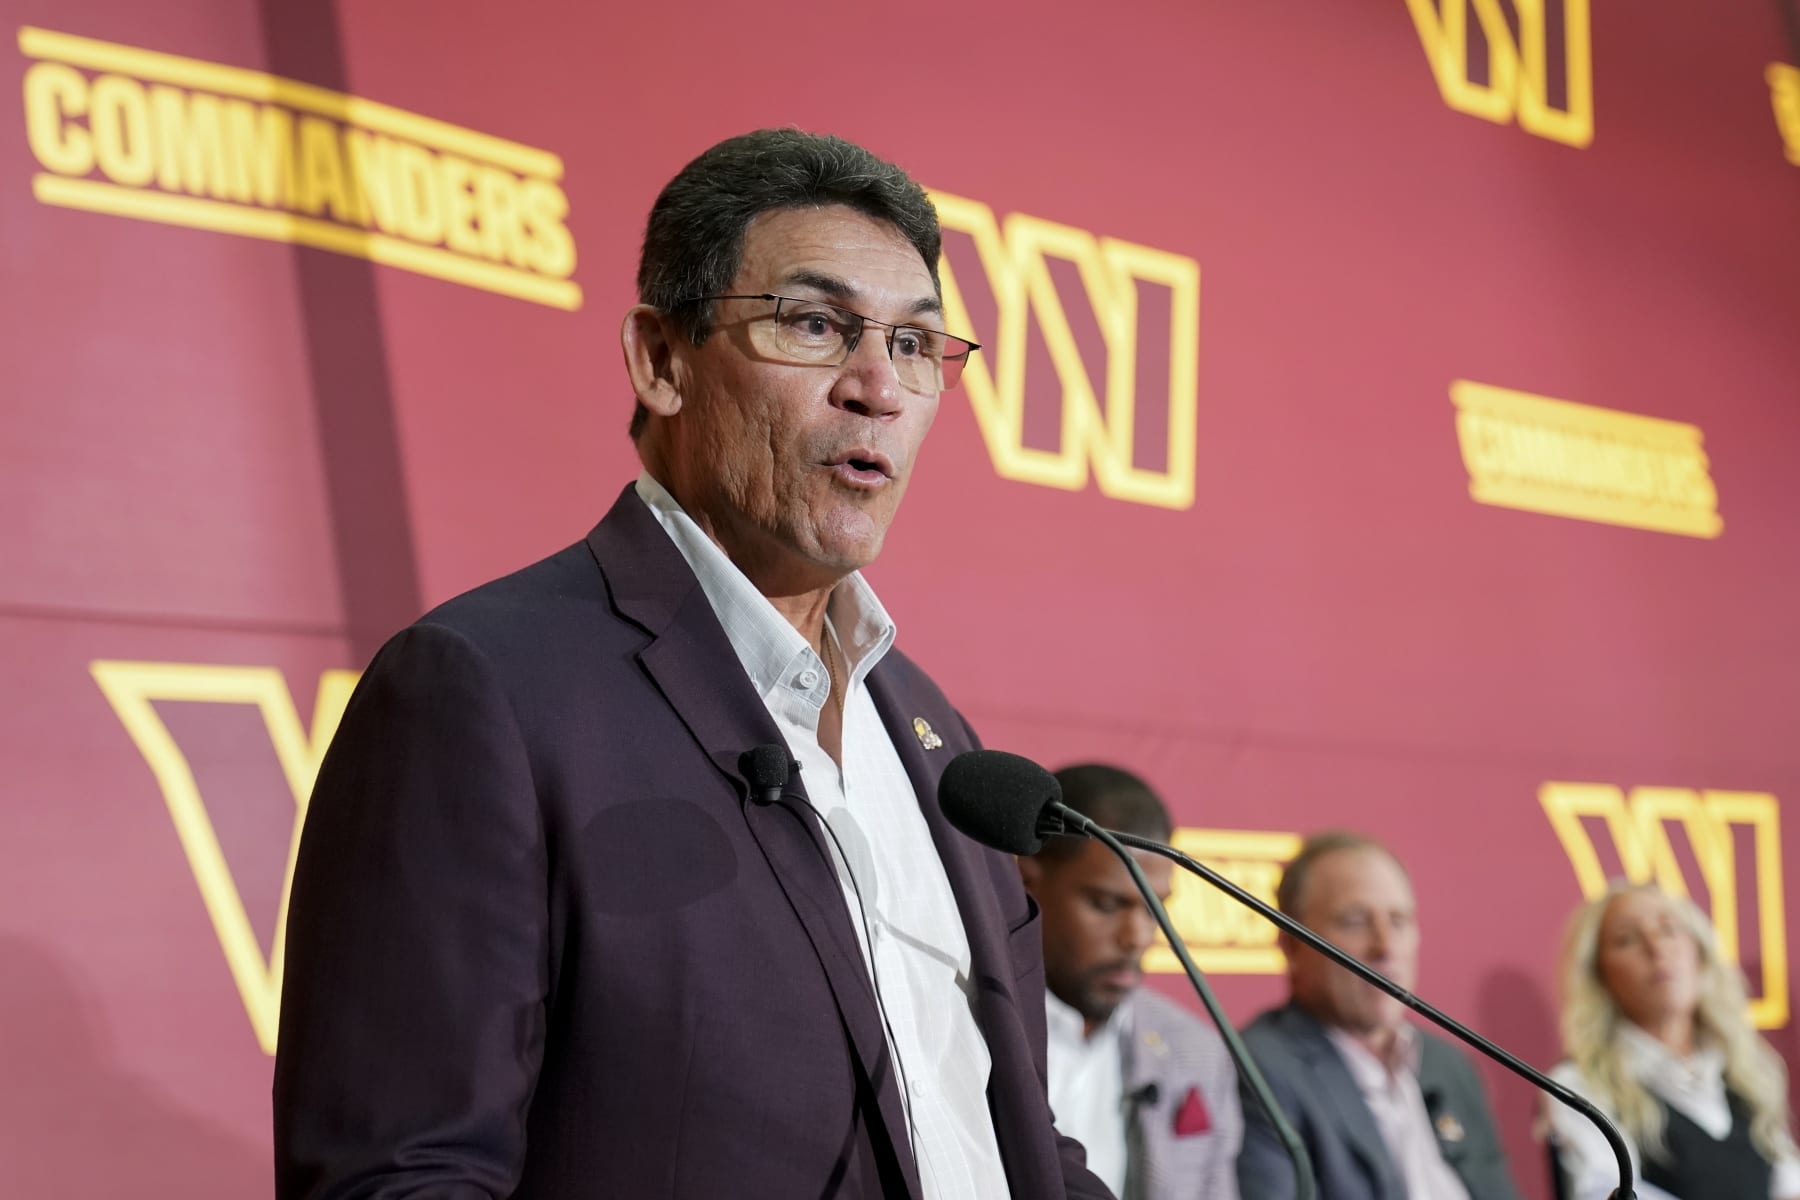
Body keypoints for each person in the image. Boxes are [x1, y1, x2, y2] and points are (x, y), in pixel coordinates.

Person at [272, 129, 1112, 1200]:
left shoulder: (935, 738)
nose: (878, 389)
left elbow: (998, 1136)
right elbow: (400, 1175)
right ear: (661, 362)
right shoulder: (483, 692)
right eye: (817, 325)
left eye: (914, 344)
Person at [1237, 832, 1519, 1200]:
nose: (1385, 947)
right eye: (1355, 921)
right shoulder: (1258, 1071)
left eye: (1398, 921)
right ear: (1292, 945)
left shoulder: (1450, 1066)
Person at [1018, 764, 1243, 1200]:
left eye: (1154, 908)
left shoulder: (1197, 1052)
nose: (1137, 937)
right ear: (1026, 880)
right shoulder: (967, 1028)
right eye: (1107, 904)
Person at [1544, 880, 1800, 1200]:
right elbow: (1601, 1190)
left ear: (1700, 953)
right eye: (1627, 940)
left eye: (1668, 929)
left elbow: (1789, 1182)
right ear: (1600, 977)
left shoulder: (1745, 1071)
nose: (1657, 948)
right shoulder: (1579, 1085)